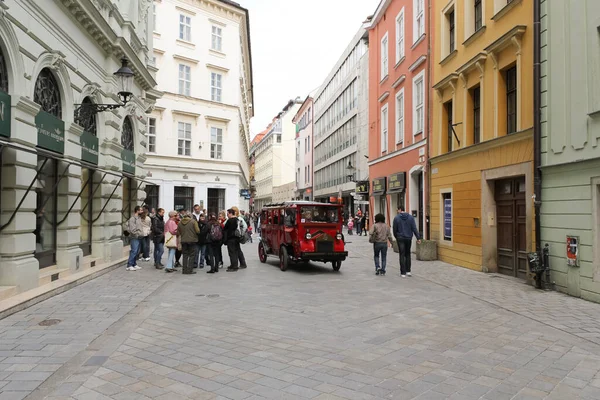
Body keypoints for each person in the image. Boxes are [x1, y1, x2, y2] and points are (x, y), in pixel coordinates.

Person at [392, 205, 422, 277]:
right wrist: (418, 238)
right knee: (408, 254)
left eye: (397, 210)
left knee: (402, 254)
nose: (397, 212)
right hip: (408, 237)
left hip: (400, 238)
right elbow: (414, 228)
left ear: (400, 209)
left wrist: (396, 236)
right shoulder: (411, 217)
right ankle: (408, 271)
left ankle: (403, 272)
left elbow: (394, 229)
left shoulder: (396, 218)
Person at [124, 206, 143, 271]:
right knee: (134, 251)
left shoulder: (139, 218)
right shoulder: (133, 218)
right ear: (137, 211)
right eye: (141, 210)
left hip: (139, 236)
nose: (142, 211)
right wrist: (137, 234)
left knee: (137, 251)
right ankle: (129, 265)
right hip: (134, 237)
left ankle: (134, 264)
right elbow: (132, 229)